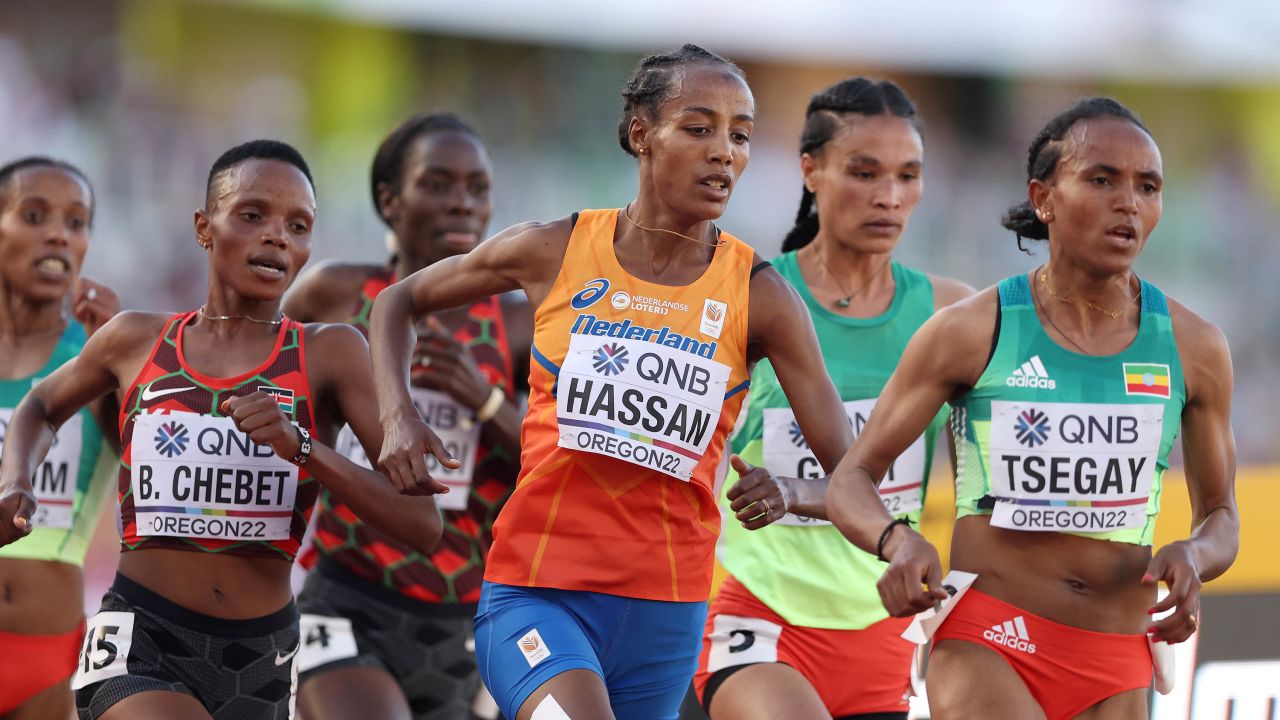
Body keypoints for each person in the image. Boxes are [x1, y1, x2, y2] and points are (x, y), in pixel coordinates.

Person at [370, 45, 853, 720]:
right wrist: (398, 415)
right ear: (640, 135)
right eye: (698, 127)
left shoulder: (761, 296)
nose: (724, 152)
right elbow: (395, 303)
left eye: (740, 135)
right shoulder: (553, 249)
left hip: (667, 613)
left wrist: (801, 494)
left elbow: (854, 474)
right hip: (537, 590)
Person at [0, 140, 445, 720]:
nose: (277, 236)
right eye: (253, 215)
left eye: (299, 225)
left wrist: (304, 448)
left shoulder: (329, 353)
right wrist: (18, 479)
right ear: (204, 228)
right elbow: (39, 405)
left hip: (262, 654)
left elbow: (422, 525)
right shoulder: (136, 338)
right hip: (139, 637)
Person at [826, 97, 1238, 719]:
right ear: (1044, 197)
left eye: (1147, 186)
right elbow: (852, 478)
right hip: (989, 635)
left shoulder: (1196, 346)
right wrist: (896, 543)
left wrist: (1194, 555)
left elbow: (1221, 515)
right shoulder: (970, 331)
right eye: (1102, 179)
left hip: (1117, 651)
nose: (1128, 202)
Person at [693, 78, 973, 720]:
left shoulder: (952, 315)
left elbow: (984, 495)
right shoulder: (753, 298)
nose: (890, 196)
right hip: (759, 610)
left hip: (884, 620)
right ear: (810, 171)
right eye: (865, 172)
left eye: (909, 175)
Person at [285, 113, 530, 720]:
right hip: (346, 593)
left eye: (477, 189)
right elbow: (256, 386)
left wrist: (488, 401)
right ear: (390, 201)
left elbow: (556, 465)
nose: (462, 204)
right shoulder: (337, 295)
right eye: (439, 184)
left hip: (466, 616)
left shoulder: (518, 324)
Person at [0, 156, 120, 720]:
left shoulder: (99, 357)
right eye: (33, 213)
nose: (58, 233)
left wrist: (124, 366)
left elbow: (148, 468)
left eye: (76, 222)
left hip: (48, 659)